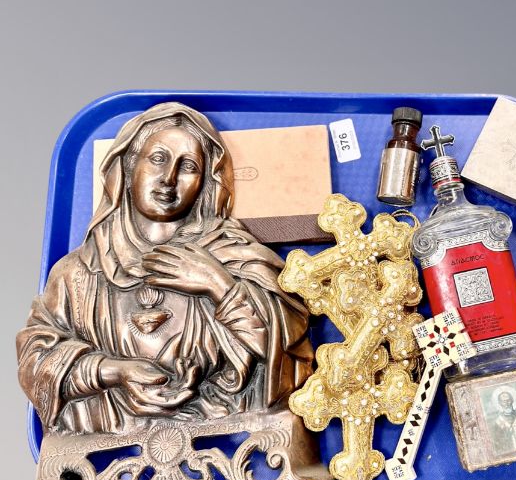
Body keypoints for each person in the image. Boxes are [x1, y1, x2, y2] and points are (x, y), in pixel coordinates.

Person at [17, 103, 313, 434]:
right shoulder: (77, 275)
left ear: (205, 183)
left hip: (236, 442)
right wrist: (112, 372)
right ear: (129, 165)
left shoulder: (236, 258)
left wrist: (218, 284)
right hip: (108, 447)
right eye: (158, 158)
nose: (169, 179)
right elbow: (35, 363)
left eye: (188, 167)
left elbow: (289, 359)